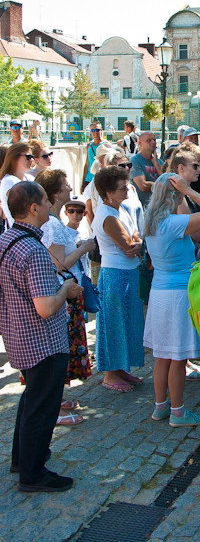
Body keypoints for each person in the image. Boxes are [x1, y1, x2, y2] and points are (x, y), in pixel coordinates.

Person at [0, 181, 83, 492]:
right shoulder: (32, 249)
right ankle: (32, 473)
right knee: (42, 407)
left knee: (31, 400)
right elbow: (47, 307)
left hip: (18, 336)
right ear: (33, 209)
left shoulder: (6, 239)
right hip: (42, 340)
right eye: (47, 201)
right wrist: (67, 290)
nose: (52, 205)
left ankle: (22, 459)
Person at [143, 173, 200, 425]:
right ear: (174, 196)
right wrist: (189, 190)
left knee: (162, 355)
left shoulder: (152, 221)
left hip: (160, 293)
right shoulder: (172, 223)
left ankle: (161, 406)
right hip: (177, 295)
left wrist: (184, 191)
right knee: (176, 356)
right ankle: (178, 411)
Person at [37, 170, 96, 423]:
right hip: (62, 293)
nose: (68, 188)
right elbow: (59, 263)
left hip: (67, 292)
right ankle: (54, 407)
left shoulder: (54, 221)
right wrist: (83, 247)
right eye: (64, 185)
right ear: (55, 193)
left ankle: (57, 400)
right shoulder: (52, 224)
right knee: (58, 350)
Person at [92, 166, 144, 392]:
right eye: (121, 188)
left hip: (127, 273)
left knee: (127, 321)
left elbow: (136, 236)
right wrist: (137, 244)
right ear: (107, 193)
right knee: (114, 322)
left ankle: (120, 368)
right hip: (115, 275)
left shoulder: (120, 208)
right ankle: (110, 374)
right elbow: (129, 246)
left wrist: (137, 242)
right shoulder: (107, 215)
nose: (126, 190)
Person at [0, 142, 34, 228]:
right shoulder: (9, 181)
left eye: (32, 157)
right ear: (14, 158)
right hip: (20, 232)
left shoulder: (30, 178)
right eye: (28, 157)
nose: (31, 160)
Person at [130, 131, 163, 208]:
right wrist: (163, 186)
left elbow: (168, 182)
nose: (153, 142)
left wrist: (157, 165)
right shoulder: (135, 161)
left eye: (154, 140)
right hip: (143, 207)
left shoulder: (160, 162)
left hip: (158, 208)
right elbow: (143, 185)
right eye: (148, 140)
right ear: (140, 143)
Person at [81, 121, 107, 191]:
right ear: (90, 131)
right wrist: (83, 180)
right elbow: (87, 164)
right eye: (93, 130)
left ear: (101, 130)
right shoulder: (89, 145)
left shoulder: (106, 145)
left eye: (97, 130)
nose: (95, 132)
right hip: (89, 178)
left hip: (100, 178)